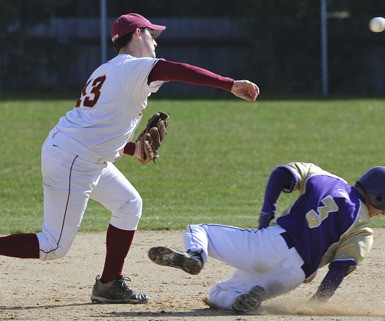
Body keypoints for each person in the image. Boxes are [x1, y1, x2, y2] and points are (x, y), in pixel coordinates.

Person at [0, 13, 259, 304]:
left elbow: (101, 125)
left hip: (80, 153)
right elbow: (177, 69)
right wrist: (229, 84)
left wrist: (132, 149)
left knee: (128, 204)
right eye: (152, 35)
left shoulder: (107, 70)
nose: (155, 42)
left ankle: (109, 285)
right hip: (75, 159)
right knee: (53, 245)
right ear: (137, 34)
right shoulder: (134, 67)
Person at [148, 162, 385, 313]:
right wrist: (315, 305)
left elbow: (282, 174)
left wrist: (265, 214)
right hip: (291, 278)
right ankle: (240, 300)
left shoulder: (324, 177)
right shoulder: (363, 229)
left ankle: (196, 256)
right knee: (217, 293)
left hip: (270, 245)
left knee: (199, 230)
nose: (384, 213)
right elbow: (339, 269)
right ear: (379, 197)